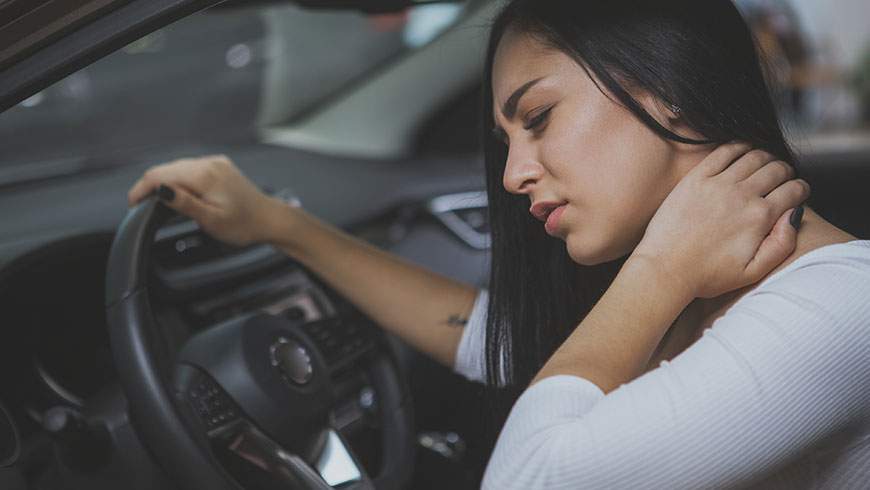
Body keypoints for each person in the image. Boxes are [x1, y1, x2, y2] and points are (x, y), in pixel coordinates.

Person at [128, 0, 870, 488]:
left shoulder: (837, 305)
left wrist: (661, 268)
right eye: (506, 140)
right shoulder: (704, 290)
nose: (514, 174)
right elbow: (497, 337)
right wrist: (277, 224)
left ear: (666, 84)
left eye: (539, 117)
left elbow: (529, 478)